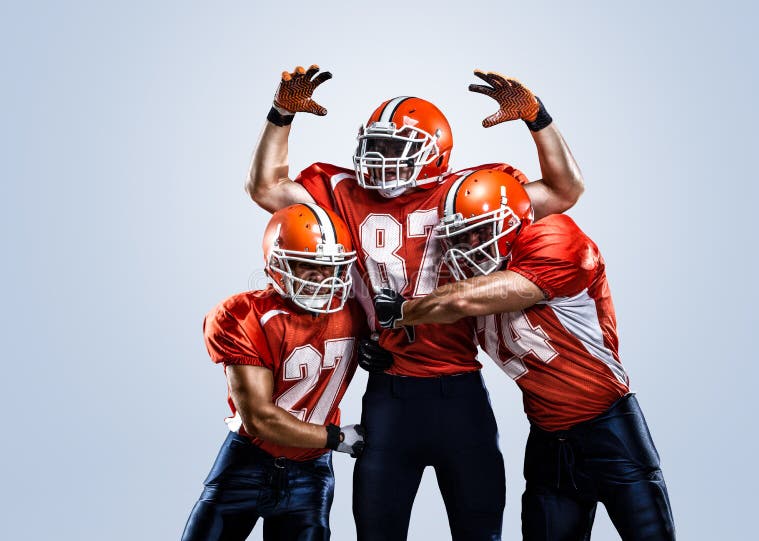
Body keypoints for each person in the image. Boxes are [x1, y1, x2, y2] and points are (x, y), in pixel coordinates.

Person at [246, 64, 584, 541]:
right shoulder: (344, 191)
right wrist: (281, 115)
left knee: (480, 530)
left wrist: (538, 119)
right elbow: (265, 188)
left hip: (460, 387)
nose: (377, 158)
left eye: (393, 146)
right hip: (389, 390)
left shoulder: (467, 193)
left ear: (434, 153)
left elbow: (564, 190)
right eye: (374, 144)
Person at [374, 169, 676, 541]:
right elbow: (441, 332)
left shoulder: (557, 241)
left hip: (610, 431)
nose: (471, 245)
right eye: (462, 237)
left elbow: (462, 299)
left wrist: (402, 312)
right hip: (547, 440)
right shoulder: (463, 284)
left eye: (481, 232)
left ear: (515, 222)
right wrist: (378, 344)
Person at [181, 203, 369, 541]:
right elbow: (259, 419)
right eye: (308, 266)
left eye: (330, 268)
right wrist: (336, 438)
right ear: (278, 266)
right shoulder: (244, 314)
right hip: (248, 461)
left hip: (311, 473)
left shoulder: (357, 312)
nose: (321, 279)